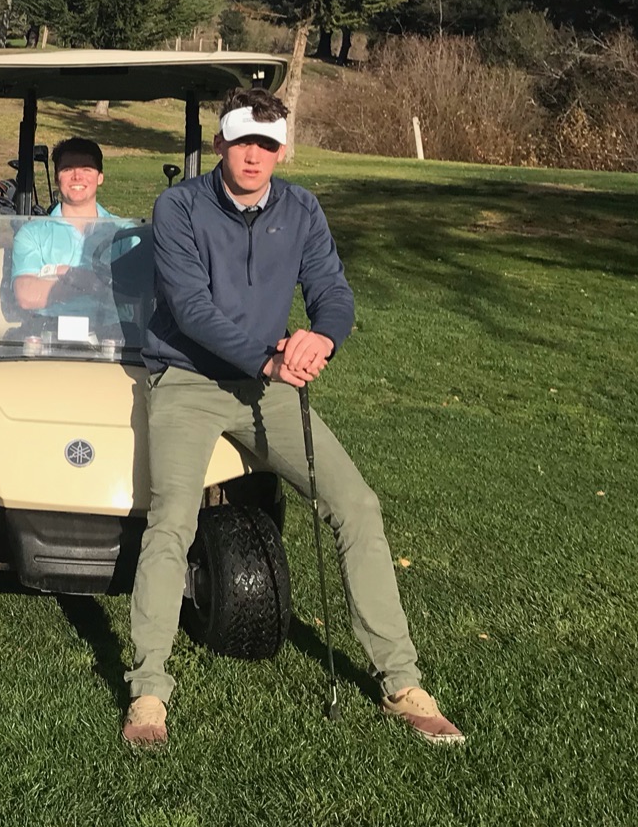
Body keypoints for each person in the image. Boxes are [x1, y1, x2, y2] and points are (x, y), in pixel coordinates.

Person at [121, 87, 463, 747]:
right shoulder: (179, 206)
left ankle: (401, 681)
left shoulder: (301, 207)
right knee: (171, 519)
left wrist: (322, 337)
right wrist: (267, 358)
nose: (255, 155)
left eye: (268, 145)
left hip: (267, 387)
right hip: (186, 383)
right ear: (220, 142)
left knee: (356, 506)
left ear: (283, 150)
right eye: (244, 141)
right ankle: (148, 692)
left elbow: (331, 291)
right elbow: (190, 308)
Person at [10, 137, 121, 318]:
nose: (77, 176)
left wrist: (67, 275)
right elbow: (26, 295)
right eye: (68, 169)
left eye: (86, 168)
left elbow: (132, 293)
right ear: (56, 178)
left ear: (100, 177)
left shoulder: (123, 232)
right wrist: (96, 285)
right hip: (48, 334)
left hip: (110, 335)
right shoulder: (32, 233)